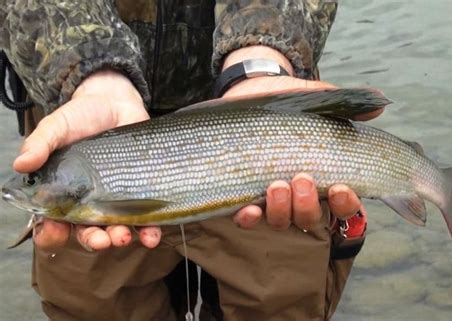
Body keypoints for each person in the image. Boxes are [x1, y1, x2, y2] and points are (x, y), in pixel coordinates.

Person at [0, 1, 384, 320]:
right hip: (85, 120)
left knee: (277, 304)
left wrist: (260, 52)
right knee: (100, 309)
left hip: (262, 121)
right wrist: (87, 69)